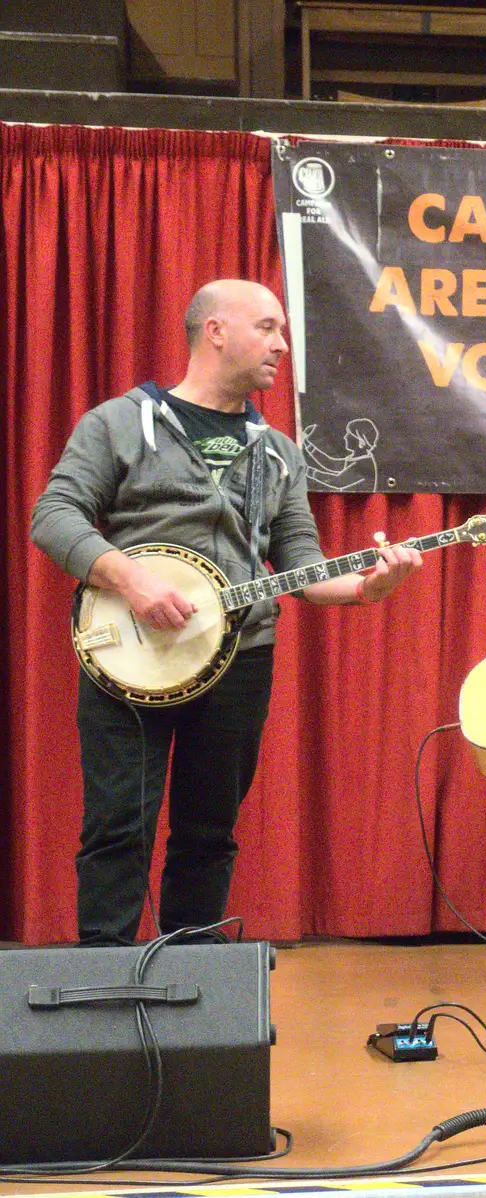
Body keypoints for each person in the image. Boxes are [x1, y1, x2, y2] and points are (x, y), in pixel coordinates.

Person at [31, 279, 422, 946]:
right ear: (215, 331)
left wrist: (365, 589)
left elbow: (300, 565)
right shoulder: (119, 423)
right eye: (267, 328)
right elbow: (53, 516)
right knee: (117, 825)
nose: (281, 345)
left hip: (241, 659)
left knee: (210, 832)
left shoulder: (279, 453)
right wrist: (131, 579)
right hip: (127, 656)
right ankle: (99, 997)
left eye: (282, 331)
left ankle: (191, 993)